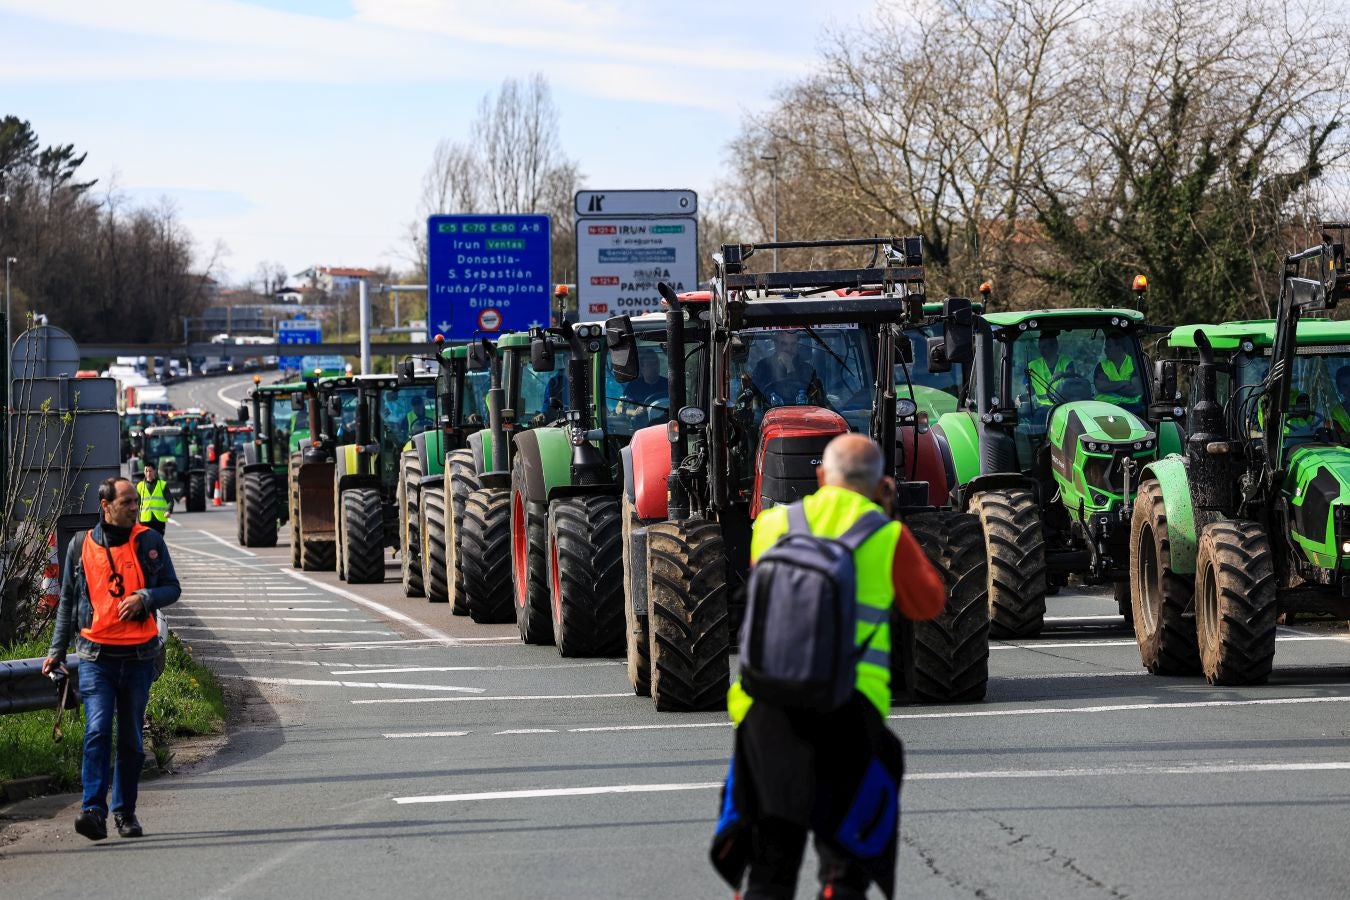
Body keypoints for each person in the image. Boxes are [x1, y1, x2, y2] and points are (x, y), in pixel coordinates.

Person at [711, 433, 946, 899]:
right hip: (848, 712)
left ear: (821, 476)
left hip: (768, 708)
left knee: (769, 866)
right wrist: (888, 516)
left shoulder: (773, 525)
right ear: (882, 484)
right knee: (843, 869)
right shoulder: (885, 534)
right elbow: (928, 604)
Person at [42, 477, 181, 842]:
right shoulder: (80, 546)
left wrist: (145, 598)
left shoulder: (149, 541)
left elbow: (172, 587)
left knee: (132, 739)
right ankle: (93, 811)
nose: (134, 507)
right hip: (95, 657)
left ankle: (125, 812)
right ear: (106, 506)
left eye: (136, 501)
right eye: (127, 502)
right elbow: (69, 603)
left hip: (138, 658)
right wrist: (56, 652)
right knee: (98, 730)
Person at [752, 331, 820, 407]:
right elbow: (754, 395)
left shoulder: (807, 369)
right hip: (768, 414)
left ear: (797, 345)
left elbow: (815, 397)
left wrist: (790, 367)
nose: (789, 349)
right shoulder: (762, 367)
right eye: (784, 344)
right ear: (776, 344)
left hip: (803, 415)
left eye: (793, 344)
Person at [615, 351, 669, 420]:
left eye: (656, 363)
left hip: (665, 423)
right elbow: (618, 409)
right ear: (642, 368)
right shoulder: (633, 386)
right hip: (641, 426)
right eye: (650, 364)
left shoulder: (668, 384)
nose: (654, 367)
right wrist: (634, 412)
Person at [1026, 333, 1076, 407]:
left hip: (1064, 405)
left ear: (1055, 346)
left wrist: (1063, 374)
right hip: (1042, 407)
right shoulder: (1032, 366)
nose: (1041, 350)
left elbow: (1071, 374)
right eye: (1040, 347)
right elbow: (1027, 386)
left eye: (1045, 347)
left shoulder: (1065, 361)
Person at [1093, 335, 1143, 407]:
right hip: (1105, 406)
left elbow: (1135, 390)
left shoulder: (1134, 363)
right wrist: (1123, 383)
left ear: (1119, 348)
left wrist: (1110, 388)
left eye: (1109, 346)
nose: (1105, 349)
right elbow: (1101, 386)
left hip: (1132, 407)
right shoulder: (1101, 366)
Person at [136, 463, 175, 534]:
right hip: (144, 520)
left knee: (158, 542)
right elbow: (137, 504)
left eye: (150, 471)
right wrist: (137, 519)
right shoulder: (140, 486)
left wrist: (168, 511)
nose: (148, 473)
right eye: (146, 471)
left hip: (158, 521)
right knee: (146, 543)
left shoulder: (162, 485)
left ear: (154, 471)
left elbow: (170, 500)